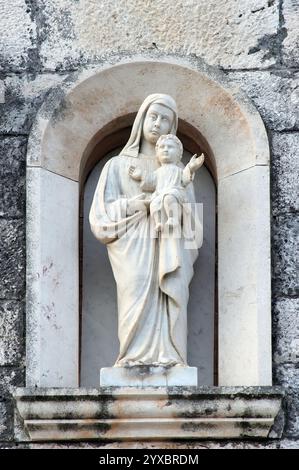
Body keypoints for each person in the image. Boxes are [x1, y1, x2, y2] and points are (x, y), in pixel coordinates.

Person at [89, 94, 203, 368]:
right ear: (141, 120)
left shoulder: (178, 171)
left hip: (169, 244)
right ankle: (131, 357)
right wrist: (140, 205)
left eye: (165, 119)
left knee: (170, 290)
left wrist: (175, 207)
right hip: (132, 246)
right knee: (136, 288)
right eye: (153, 116)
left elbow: (194, 228)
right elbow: (102, 215)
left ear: (172, 129)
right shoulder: (116, 166)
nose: (157, 123)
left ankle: (171, 356)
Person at [128, 133, 204, 232]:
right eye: (162, 147)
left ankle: (173, 218)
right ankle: (158, 222)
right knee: (154, 204)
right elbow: (151, 181)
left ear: (179, 154)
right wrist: (141, 175)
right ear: (157, 153)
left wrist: (190, 167)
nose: (166, 149)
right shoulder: (158, 172)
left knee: (169, 198)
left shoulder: (178, 170)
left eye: (170, 147)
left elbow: (185, 179)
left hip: (175, 193)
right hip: (159, 194)